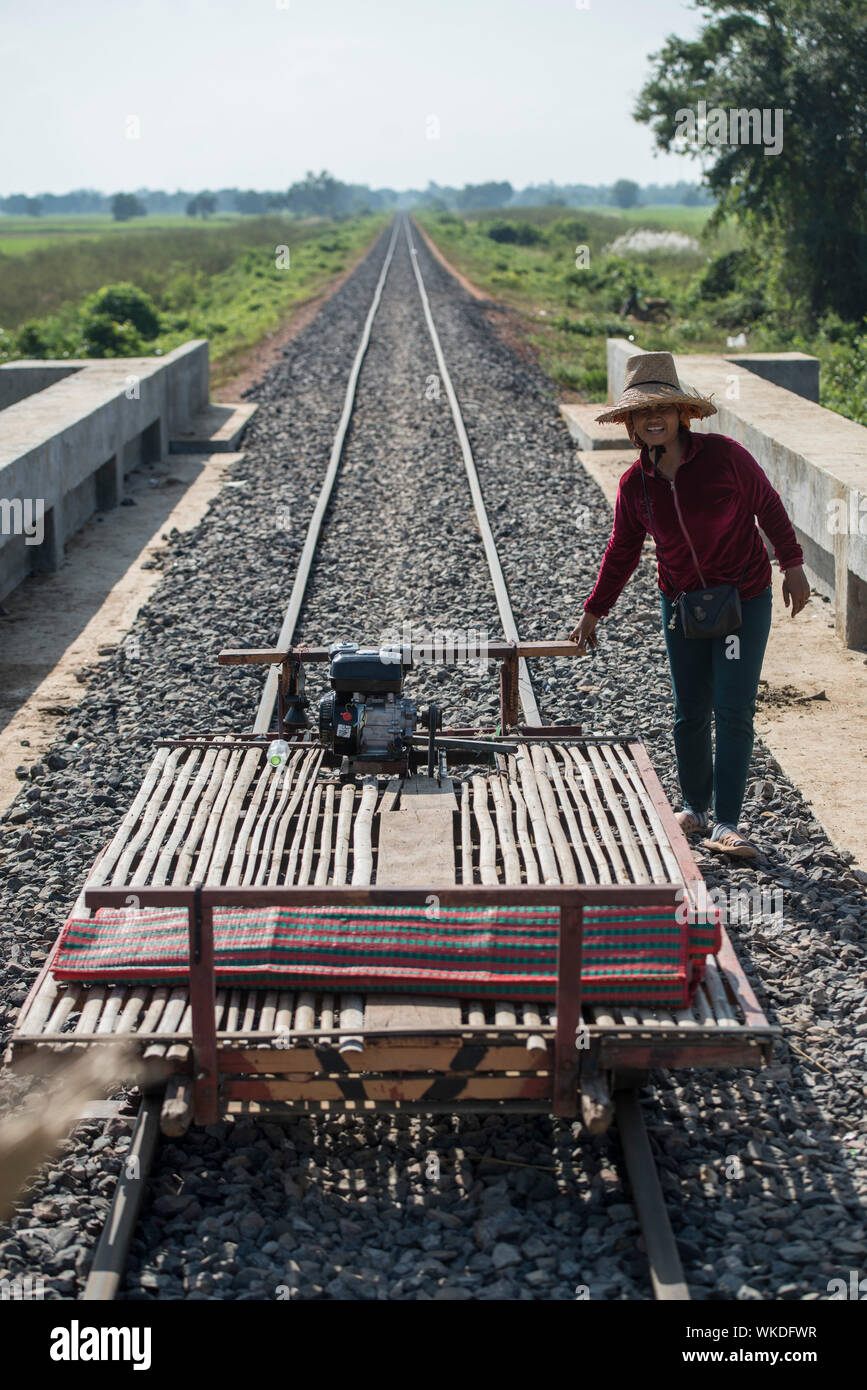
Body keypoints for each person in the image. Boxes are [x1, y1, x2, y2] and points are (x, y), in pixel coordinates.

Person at [570, 351, 810, 858]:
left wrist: (791, 564)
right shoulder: (636, 485)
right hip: (682, 605)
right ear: (631, 425)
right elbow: (622, 549)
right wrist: (595, 609)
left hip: (743, 599)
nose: (653, 418)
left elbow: (768, 505)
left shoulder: (725, 458)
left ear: (683, 415)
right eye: (641, 412)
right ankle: (695, 809)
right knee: (689, 711)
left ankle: (727, 823)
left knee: (734, 707)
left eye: (663, 408)